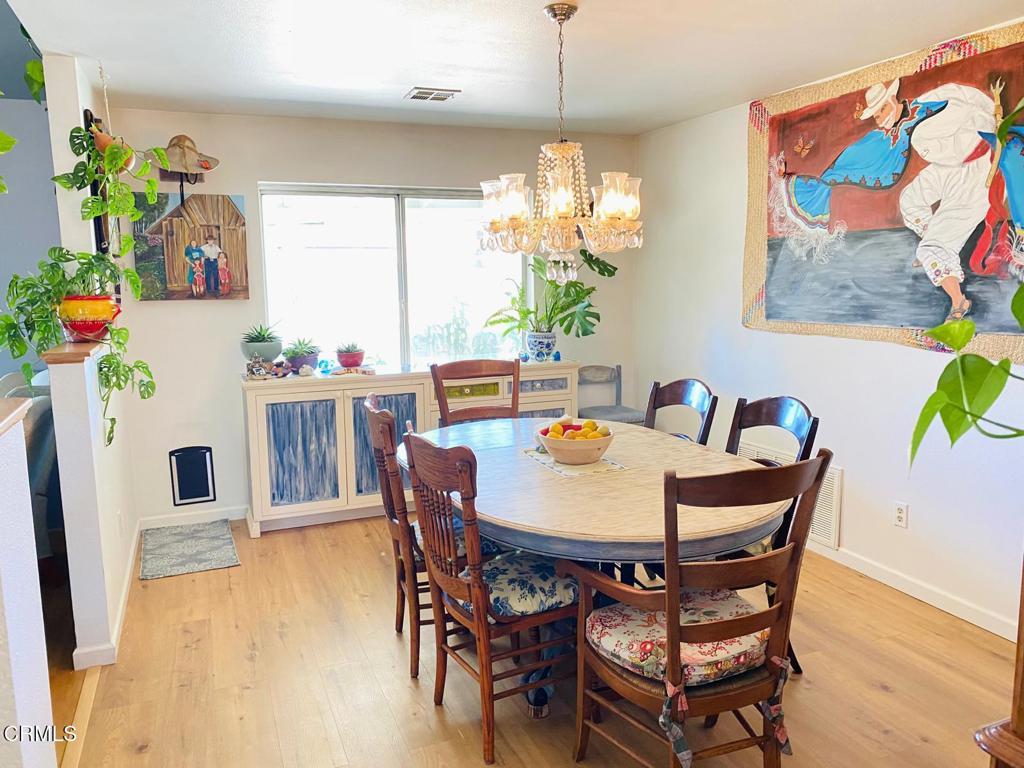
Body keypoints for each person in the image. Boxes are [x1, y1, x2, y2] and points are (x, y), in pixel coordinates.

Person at [780, 78, 999, 321]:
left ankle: (959, 299)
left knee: (931, 249)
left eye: (881, 109)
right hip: (949, 167)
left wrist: (992, 127)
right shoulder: (903, 124)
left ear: (893, 99)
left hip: (978, 170)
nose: (878, 118)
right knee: (910, 200)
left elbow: (969, 105)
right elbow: (861, 153)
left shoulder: (929, 105)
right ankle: (936, 241)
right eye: (875, 114)